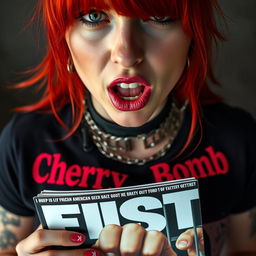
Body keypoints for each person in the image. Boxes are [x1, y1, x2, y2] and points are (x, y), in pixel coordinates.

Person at [0, 0, 255, 255]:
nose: (126, 55)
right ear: (64, 38)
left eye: (159, 15)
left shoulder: (236, 139)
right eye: (93, 16)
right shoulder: (25, 141)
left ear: (192, 37)